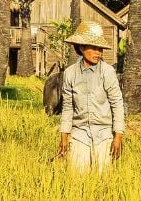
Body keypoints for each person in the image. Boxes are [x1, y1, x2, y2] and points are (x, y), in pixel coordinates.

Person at [57, 21, 125, 173]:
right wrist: (64, 135)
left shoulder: (107, 72)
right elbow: (68, 107)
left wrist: (118, 136)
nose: (98, 53)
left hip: (103, 133)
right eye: (94, 48)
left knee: (103, 178)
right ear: (81, 47)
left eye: (100, 49)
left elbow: (117, 104)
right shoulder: (70, 73)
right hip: (79, 132)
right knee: (76, 176)